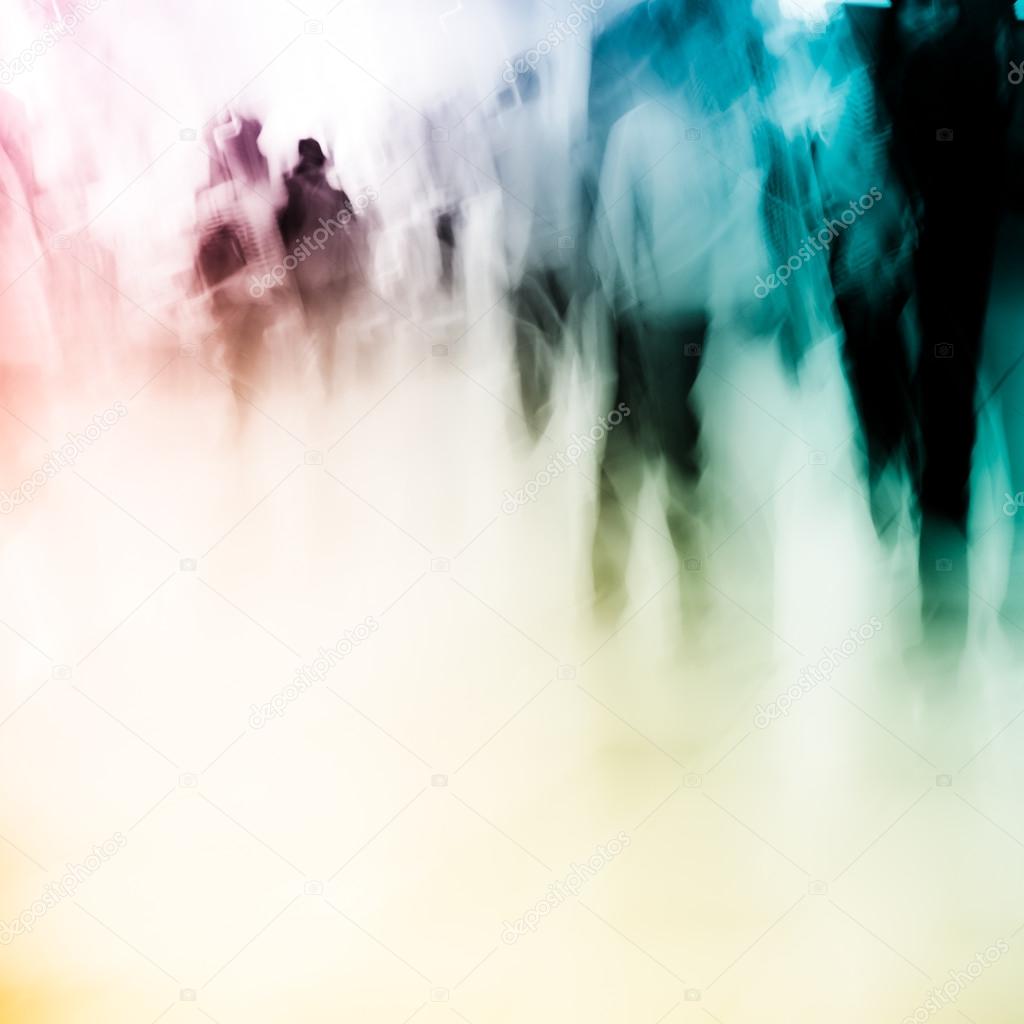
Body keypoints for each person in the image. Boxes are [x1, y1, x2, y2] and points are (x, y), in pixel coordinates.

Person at [278, 138, 358, 393]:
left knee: (311, 331)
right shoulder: (335, 193)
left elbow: (283, 233)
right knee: (329, 333)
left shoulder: (292, 189)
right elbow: (353, 224)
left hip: (305, 277)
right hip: (335, 276)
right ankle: (327, 382)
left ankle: (316, 384)